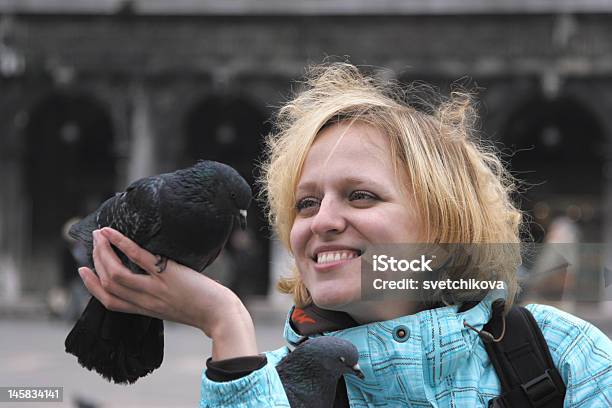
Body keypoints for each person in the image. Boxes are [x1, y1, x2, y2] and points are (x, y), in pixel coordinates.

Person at [77, 63, 612, 407]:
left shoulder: (561, 354)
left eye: (361, 196)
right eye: (306, 203)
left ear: (444, 224)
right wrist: (228, 328)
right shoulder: (275, 386)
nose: (322, 221)